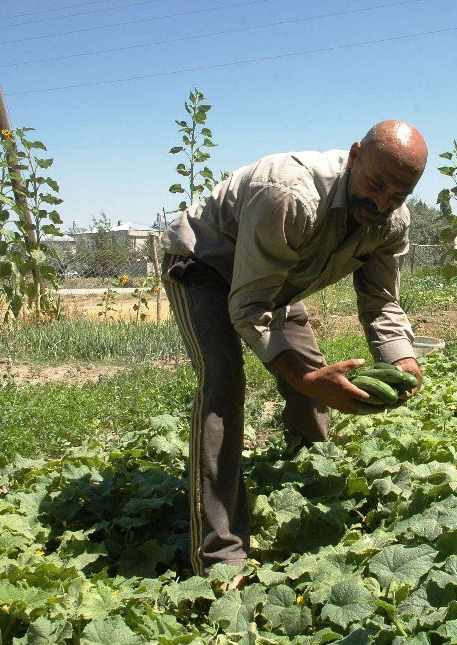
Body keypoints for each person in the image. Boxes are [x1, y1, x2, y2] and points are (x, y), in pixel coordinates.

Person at [160, 119, 428, 576]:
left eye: (398, 195)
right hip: (204, 263)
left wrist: (403, 361)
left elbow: (381, 301)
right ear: (355, 155)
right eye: (377, 185)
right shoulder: (289, 194)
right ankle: (218, 556)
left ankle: (309, 471)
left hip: (277, 275)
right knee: (223, 383)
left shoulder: (390, 222)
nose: (382, 203)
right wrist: (306, 380)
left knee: (314, 370)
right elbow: (248, 306)